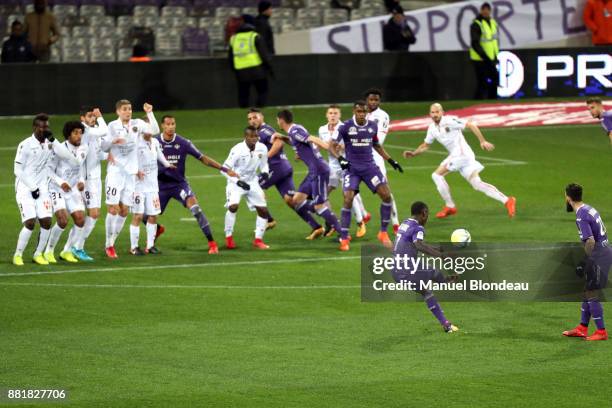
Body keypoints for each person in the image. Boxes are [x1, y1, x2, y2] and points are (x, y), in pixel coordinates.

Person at [403, 103, 515, 219]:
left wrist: (482, 141)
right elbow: (426, 145)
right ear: (429, 114)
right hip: (460, 156)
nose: (435, 114)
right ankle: (507, 200)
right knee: (477, 184)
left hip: (462, 154)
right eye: (433, 112)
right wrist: (414, 153)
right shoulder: (432, 128)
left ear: (442, 112)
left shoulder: (449, 121)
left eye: (437, 112)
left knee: (436, 175)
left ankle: (450, 206)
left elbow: (471, 125)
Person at [153, 115, 238, 255]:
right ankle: (157, 229)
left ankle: (212, 243)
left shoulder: (183, 142)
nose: (171, 127)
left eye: (173, 124)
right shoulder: (154, 142)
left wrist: (225, 169)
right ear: (162, 126)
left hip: (179, 185)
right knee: (145, 216)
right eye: (168, 124)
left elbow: (203, 158)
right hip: (160, 186)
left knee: (196, 209)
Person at [330, 101, 403, 252]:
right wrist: (340, 159)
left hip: (370, 168)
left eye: (364, 112)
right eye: (359, 112)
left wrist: (391, 160)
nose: (362, 114)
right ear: (354, 112)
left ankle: (383, 233)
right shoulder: (345, 127)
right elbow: (332, 145)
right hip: (352, 169)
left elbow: (376, 145)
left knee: (387, 196)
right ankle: (344, 238)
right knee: (348, 198)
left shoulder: (372, 126)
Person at [12, 114, 78, 266]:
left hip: (42, 188)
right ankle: (18, 254)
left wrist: (54, 141)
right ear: (35, 127)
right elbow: (17, 170)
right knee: (29, 222)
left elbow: (68, 157)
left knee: (46, 222)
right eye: (41, 127)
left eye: (46, 126)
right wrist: (32, 187)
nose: (44, 129)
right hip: (25, 188)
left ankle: (38, 254)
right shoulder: (26, 145)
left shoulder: (50, 143)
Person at [247, 108, 321, 232]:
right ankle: (318, 225)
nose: (252, 121)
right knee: (291, 200)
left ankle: (268, 220)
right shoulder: (259, 132)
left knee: (252, 187)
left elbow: (279, 143)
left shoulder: (265, 130)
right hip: (283, 168)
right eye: (250, 119)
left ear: (262, 117)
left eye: (255, 117)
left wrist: (265, 157)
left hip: (276, 168)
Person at [102, 100, 159, 259]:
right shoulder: (112, 126)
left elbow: (154, 130)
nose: (128, 112)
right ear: (118, 111)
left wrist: (149, 112)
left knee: (125, 210)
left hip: (131, 174)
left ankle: (112, 240)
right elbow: (104, 147)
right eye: (125, 109)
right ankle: (109, 244)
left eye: (130, 109)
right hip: (115, 172)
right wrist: (113, 141)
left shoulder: (137, 123)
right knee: (113, 208)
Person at [392, 201, 459, 333]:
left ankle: (446, 324)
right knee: (433, 272)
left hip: (395, 270)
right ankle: (447, 281)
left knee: (426, 292)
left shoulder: (405, 223)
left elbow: (417, 243)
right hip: (408, 269)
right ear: (424, 213)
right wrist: (442, 256)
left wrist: (439, 248)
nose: (427, 218)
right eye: (427, 214)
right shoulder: (419, 228)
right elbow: (419, 245)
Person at [276, 109, 343, 242]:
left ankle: (342, 232)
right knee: (296, 200)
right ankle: (329, 216)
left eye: (277, 120)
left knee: (319, 206)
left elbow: (312, 138)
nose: (277, 122)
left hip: (319, 170)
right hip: (313, 170)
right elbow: (301, 141)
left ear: (281, 120)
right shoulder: (296, 128)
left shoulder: (295, 131)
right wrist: (294, 147)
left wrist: (327, 146)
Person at [562, 183, 611, 341]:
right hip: (604, 250)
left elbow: (590, 241)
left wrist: (585, 262)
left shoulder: (581, 216)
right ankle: (582, 328)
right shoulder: (589, 208)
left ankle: (601, 331)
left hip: (599, 255)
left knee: (592, 292)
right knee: (588, 289)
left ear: (568, 198)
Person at [318, 105, 369, 238]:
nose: (333, 115)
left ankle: (360, 223)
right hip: (332, 167)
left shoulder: (346, 127)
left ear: (339, 115)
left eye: (335, 113)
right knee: (322, 194)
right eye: (330, 113)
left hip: (347, 165)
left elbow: (356, 142)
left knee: (347, 194)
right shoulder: (322, 129)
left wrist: (344, 146)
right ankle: (333, 222)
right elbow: (323, 145)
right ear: (326, 115)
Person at [44, 121, 89, 264]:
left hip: (73, 188)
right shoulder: (58, 149)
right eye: (75, 133)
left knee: (81, 219)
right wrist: (60, 182)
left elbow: (79, 166)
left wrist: (82, 180)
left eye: (80, 133)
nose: (79, 136)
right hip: (57, 188)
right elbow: (48, 169)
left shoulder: (84, 148)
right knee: (63, 220)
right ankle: (49, 251)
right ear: (68, 134)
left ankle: (67, 251)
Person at [222, 126, 273, 250]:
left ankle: (258, 240)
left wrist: (265, 172)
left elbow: (264, 163)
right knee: (233, 207)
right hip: (236, 183)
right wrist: (237, 181)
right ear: (245, 137)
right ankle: (229, 238)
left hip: (252, 182)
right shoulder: (237, 150)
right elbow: (224, 169)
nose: (254, 139)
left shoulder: (262, 148)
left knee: (264, 211)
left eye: (256, 136)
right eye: (251, 136)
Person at [129, 125, 175, 255]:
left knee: (153, 215)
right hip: (138, 186)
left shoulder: (154, 142)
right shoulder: (135, 143)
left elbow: (159, 155)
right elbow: (128, 159)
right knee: (138, 215)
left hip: (152, 186)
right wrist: (136, 170)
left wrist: (167, 164)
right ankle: (134, 247)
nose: (150, 131)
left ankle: (150, 246)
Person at [73, 106, 109, 261]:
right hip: (85, 180)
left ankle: (72, 247)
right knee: (92, 214)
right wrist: (101, 116)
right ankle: (77, 247)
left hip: (95, 179)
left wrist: (113, 152)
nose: (93, 118)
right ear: (83, 118)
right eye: (90, 116)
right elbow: (104, 130)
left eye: (94, 116)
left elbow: (100, 154)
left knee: (92, 215)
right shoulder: (86, 130)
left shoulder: (94, 133)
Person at [365, 88, 400, 233]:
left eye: (376, 100)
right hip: (358, 157)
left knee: (385, 191)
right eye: (371, 99)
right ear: (367, 100)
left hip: (375, 158)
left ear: (379, 101)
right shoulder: (361, 113)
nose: (373, 102)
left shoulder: (383, 116)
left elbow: (379, 140)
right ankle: (362, 216)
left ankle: (396, 223)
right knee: (350, 189)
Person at [229, 15, 273, 108]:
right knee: (262, 91)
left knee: (243, 93)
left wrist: (234, 69)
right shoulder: (255, 36)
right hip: (257, 69)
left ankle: (243, 112)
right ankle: (259, 109)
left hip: (241, 71)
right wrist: (269, 68)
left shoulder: (234, 38)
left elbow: (230, 56)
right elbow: (263, 54)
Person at [469, 3, 499, 100]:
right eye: (484, 9)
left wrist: (495, 56)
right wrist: (484, 56)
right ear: (481, 11)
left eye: (487, 9)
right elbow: (475, 43)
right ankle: (477, 102)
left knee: (494, 80)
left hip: (490, 58)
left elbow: (494, 41)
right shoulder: (477, 24)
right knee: (482, 83)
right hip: (480, 59)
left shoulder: (493, 23)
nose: (486, 11)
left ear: (490, 11)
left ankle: (492, 101)